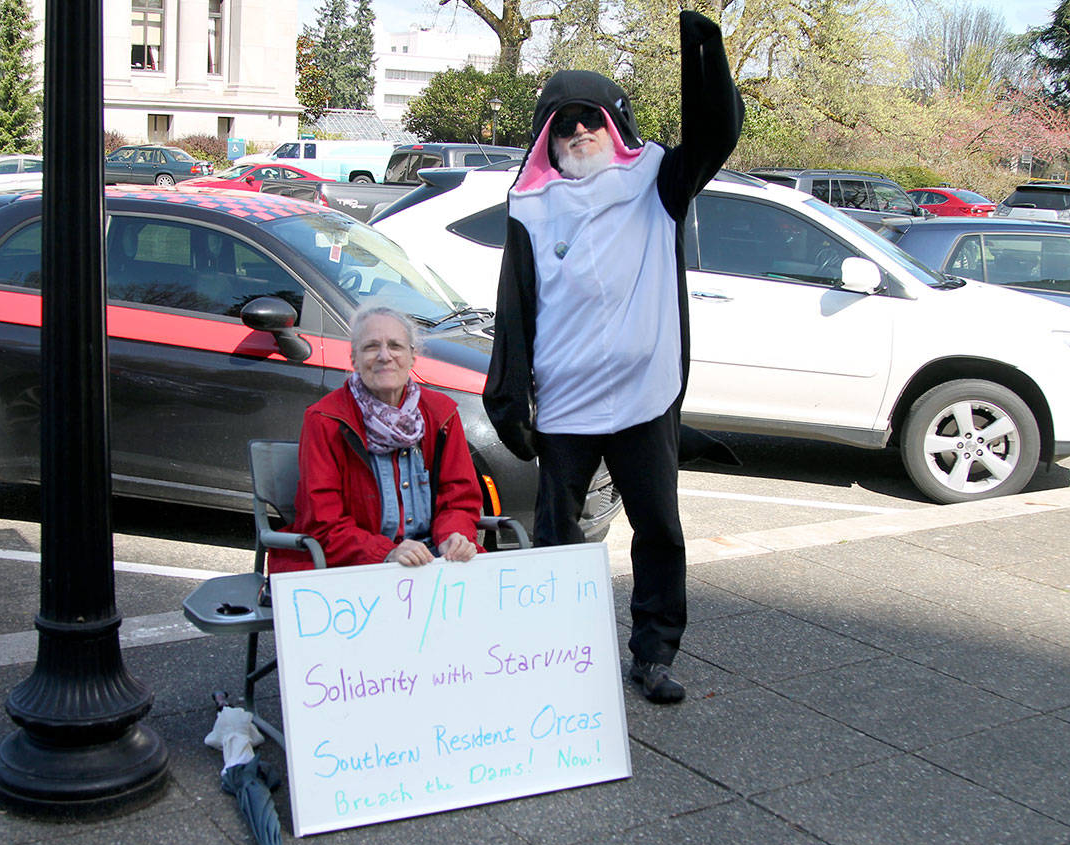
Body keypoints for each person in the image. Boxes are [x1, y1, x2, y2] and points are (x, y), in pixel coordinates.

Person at [483, 10, 743, 703]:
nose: (577, 134)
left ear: (613, 122)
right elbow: (515, 306)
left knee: (658, 528)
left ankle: (653, 653)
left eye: (590, 120)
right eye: (562, 125)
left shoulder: (657, 181)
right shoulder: (532, 206)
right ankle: (558, 654)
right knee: (559, 535)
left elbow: (716, 132)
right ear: (547, 136)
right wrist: (509, 398)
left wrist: (701, 52)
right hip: (566, 403)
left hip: (643, 396)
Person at [269, 305, 483, 571]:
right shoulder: (325, 419)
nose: (385, 356)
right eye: (371, 347)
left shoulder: (442, 414)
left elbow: (459, 499)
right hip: (357, 564)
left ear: (412, 357)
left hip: (433, 560)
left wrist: (453, 535)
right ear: (354, 359)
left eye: (395, 346)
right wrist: (387, 552)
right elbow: (323, 523)